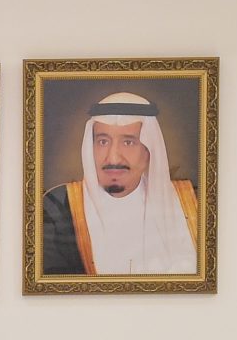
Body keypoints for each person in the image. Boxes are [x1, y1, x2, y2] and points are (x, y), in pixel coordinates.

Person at [38, 91, 201, 277]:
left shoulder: (193, 204)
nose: (113, 157)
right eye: (103, 141)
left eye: (128, 142)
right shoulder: (58, 208)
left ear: (148, 151)